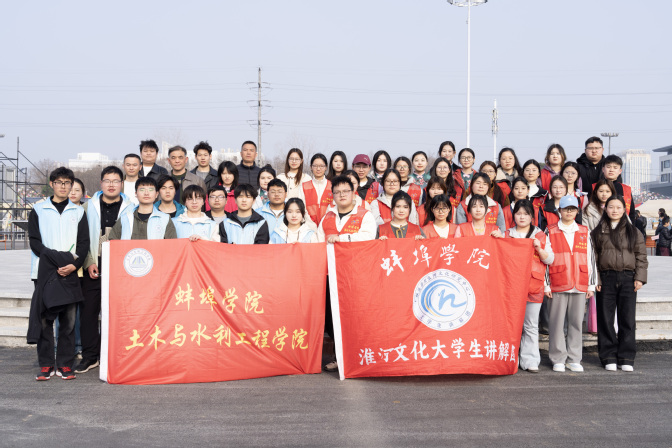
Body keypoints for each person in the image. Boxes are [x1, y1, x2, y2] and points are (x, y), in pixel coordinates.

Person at [28, 167, 89, 381]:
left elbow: (83, 243)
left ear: (72, 186)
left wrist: (74, 265)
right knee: (45, 320)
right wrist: (56, 262)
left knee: (69, 321)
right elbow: (35, 242)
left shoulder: (78, 212)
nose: (63, 186)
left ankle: (64, 364)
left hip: (70, 272)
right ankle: (46, 364)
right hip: (45, 273)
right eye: (59, 182)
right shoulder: (38, 209)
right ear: (52, 184)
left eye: (67, 183)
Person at [76, 166, 134, 374]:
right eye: (107, 180)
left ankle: (112, 354)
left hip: (121, 270)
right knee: (89, 314)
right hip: (94, 268)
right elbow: (82, 239)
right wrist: (89, 261)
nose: (111, 185)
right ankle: (90, 356)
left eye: (115, 181)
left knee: (120, 314)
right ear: (101, 183)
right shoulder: (87, 207)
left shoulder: (132, 208)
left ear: (122, 184)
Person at [318, 175, 377, 372]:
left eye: (345, 191)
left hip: (355, 275)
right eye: (337, 192)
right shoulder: (327, 217)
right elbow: (317, 242)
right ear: (333, 195)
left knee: (354, 316)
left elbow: (368, 237)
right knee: (330, 317)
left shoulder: (364, 215)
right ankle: (339, 356)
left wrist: (341, 238)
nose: (342, 195)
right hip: (330, 274)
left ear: (353, 193)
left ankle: (357, 356)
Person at [592, 196, 648, 372]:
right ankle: (608, 356)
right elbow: (593, 259)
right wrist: (596, 279)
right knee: (605, 318)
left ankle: (626, 357)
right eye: (611, 207)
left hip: (628, 278)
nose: (614, 210)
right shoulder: (598, 232)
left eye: (618, 207)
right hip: (606, 278)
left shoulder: (634, 232)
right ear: (605, 209)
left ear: (624, 210)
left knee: (627, 319)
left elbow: (641, 256)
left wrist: (639, 278)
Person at [544, 195, 597, 373]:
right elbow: (544, 259)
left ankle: (574, 358)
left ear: (577, 211)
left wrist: (591, 285)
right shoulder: (550, 230)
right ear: (559, 211)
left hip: (580, 282)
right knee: (556, 323)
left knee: (576, 323)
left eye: (572, 209)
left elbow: (590, 258)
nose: (569, 212)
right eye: (566, 209)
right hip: (557, 282)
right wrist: (546, 284)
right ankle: (558, 358)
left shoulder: (584, 231)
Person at [503, 200, 554, 373]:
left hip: (533, 285)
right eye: (518, 213)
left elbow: (550, 259)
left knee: (530, 325)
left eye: (526, 214)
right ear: (513, 216)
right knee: (511, 325)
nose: (522, 217)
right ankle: (510, 358)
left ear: (532, 216)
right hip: (511, 286)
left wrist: (539, 249)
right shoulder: (507, 234)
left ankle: (530, 359)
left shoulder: (540, 235)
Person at [109, 177, 177, 240]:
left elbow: (172, 245)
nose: (146, 193)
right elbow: (112, 242)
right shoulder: (125, 218)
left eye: (150, 190)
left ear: (156, 194)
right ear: (136, 194)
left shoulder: (165, 219)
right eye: (142, 190)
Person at [598, 155, 636, 223]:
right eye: (608, 167)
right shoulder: (595, 187)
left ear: (620, 171)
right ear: (603, 169)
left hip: (622, 225)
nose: (611, 170)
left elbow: (631, 212)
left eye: (615, 167)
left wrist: (631, 227)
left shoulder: (626, 189)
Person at [301, 154, 332, 226]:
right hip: (308, 226)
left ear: (326, 167)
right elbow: (302, 208)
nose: (318, 169)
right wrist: (311, 225)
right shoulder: (303, 186)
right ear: (311, 167)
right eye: (315, 166)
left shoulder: (333, 186)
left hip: (328, 225)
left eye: (321, 166)